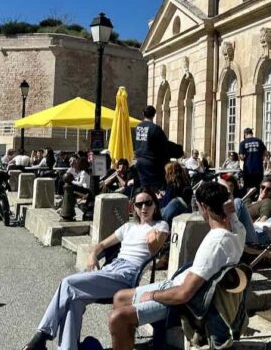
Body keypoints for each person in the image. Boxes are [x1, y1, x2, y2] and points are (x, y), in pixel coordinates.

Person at [24, 189, 169, 350]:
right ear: (133, 207)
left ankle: (42, 335)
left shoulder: (160, 225)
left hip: (128, 274)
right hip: (112, 268)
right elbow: (101, 245)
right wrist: (93, 254)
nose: (144, 208)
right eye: (139, 204)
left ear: (155, 205)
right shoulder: (128, 227)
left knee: (68, 283)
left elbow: (155, 249)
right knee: (74, 301)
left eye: (148, 203)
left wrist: (152, 241)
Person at [108, 182, 245, 350]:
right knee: (120, 297)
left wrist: (154, 295)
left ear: (203, 206)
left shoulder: (215, 243)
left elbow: (184, 294)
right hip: (178, 285)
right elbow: (233, 216)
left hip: (183, 300)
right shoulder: (238, 231)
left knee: (117, 317)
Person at [133, 105, 170, 190]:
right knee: (156, 189)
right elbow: (164, 146)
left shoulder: (138, 127)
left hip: (139, 161)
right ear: (154, 114)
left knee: (144, 188)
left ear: (143, 114)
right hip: (152, 163)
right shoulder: (155, 128)